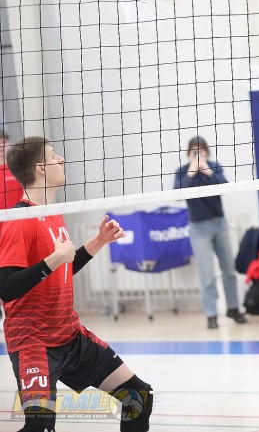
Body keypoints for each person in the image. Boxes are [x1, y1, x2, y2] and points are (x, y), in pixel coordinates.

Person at [0, 137, 154, 432]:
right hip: (33, 343)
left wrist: (98, 242)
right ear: (41, 168)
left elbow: (61, 270)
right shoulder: (19, 220)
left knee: (138, 398)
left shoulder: (50, 213)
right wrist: (53, 260)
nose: (62, 160)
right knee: (40, 427)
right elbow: (6, 287)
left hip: (69, 335)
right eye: (54, 156)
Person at [173, 136, 247, 329]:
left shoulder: (214, 166)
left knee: (228, 269)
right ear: (189, 153)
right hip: (198, 228)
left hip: (219, 224)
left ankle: (233, 308)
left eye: (201, 150)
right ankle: (211, 314)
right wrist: (191, 172)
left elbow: (224, 186)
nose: (198, 154)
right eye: (194, 151)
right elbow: (177, 194)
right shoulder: (182, 171)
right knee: (207, 274)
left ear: (207, 151)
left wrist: (207, 171)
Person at [1, 129, 24, 209]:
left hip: (19, 213)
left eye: (4, 142)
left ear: (10, 144)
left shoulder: (20, 168)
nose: (1, 146)